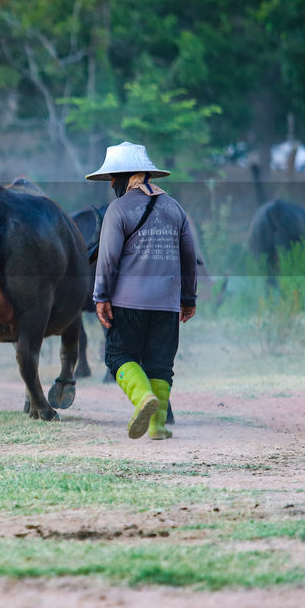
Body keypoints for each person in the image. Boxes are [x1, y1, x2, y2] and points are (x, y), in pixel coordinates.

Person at [86, 142, 196, 440]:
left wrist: (101, 297)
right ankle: (158, 427)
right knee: (161, 363)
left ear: (122, 178)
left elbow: (107, 258)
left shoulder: (118, 209)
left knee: (118, 355)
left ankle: (142, 398)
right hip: (168, 304)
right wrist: (189, 298)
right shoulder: (175, 208)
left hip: (127, 302)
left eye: (112, 178)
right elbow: (189, 256)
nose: (110, 184)